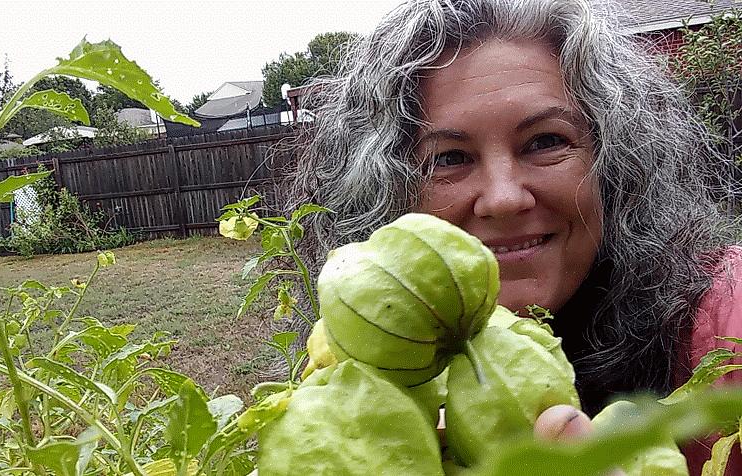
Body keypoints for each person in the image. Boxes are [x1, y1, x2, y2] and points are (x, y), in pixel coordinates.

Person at [279, 0, 742, 473]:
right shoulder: (364, 391)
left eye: (546, 142)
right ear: (389, 190)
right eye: (449, 157)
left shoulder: (728, 325)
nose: (503, 199)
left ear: (616, 162)